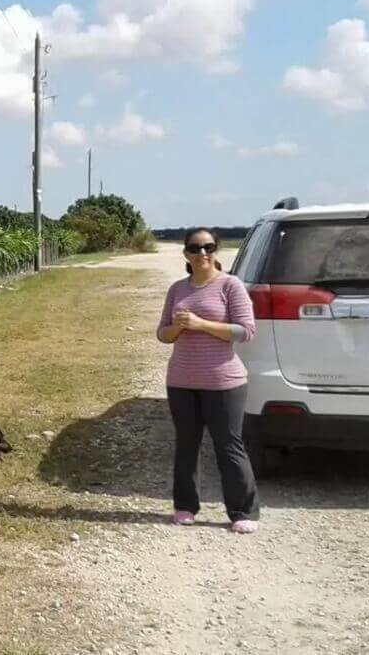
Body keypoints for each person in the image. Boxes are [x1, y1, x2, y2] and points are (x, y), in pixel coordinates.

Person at [156, 228, 260, 534]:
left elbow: (246, 331)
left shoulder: (230, 285)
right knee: (186, 445)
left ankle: (243, 511)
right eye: (195, 248)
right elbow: (162, 334)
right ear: (186, 254)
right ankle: (185, 506)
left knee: (229, 446)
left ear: (217, 250)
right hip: (181, 380)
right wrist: (178, 328)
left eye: (208, 247)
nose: (202, 253)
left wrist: (202, 324)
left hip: (224, 382)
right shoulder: (177, 289)